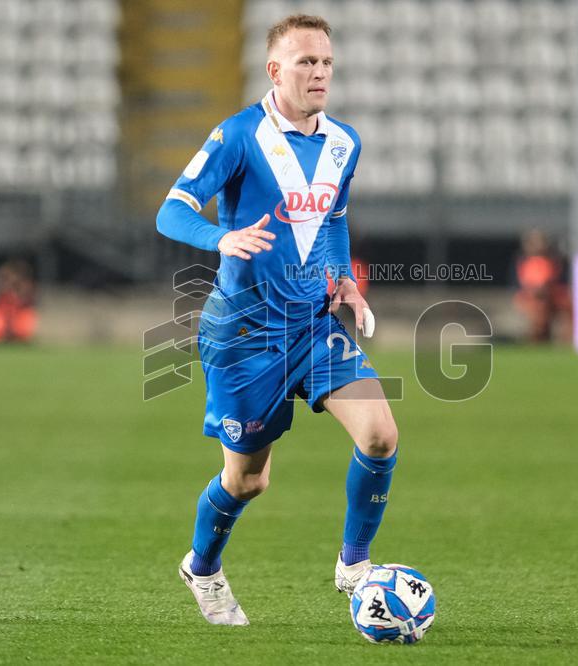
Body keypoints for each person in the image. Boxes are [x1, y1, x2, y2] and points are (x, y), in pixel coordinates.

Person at [155, 14, 398, 626]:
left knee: (380, 436)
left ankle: (355, 567)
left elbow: (334, 216)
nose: (319, 74)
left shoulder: (344, 142)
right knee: (248, 481)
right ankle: (202, 568)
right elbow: (171, 210)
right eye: (304, 63)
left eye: (326, 63)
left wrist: (342, 277)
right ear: (274, 70)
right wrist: (221, 237)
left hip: (313, 324)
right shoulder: (237, 136)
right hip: (243, 332)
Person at [513, 229, 572, 343]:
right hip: (535, 298)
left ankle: (567, 340)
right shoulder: (529, 263)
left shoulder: (552, 261)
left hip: (550, 296)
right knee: (539, 309)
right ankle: (537, 338)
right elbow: (532, 287)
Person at [0, 259, 37, 343]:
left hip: (18, 314)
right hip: (1, 314)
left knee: (22, 328)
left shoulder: (24, 288)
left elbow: (29, 303)